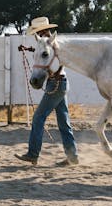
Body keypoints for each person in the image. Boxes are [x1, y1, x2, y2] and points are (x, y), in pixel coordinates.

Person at [15, 17, 79, 167]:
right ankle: (72, 156)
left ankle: (33, 154)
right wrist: (29, 49)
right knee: (63, 122)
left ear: (41, 30)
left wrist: (54, 73)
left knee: (38, 117)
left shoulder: (52, 43)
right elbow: (44, 52)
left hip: (56, 83)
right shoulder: (49, 42)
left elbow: (56, 58)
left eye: (36, 32)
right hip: (60, 83)